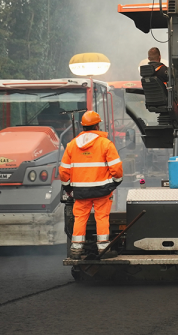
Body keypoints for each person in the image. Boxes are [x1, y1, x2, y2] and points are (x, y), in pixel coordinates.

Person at [60, 111, 123, 259]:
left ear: (82, 126)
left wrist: (68, 188)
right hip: (102, 191)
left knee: (80, 218)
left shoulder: (71, 145)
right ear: (97, 124)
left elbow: (63, 171)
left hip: (80, 192)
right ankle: (103, 249)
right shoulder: (105, 144)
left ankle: (76, 250)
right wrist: (116, 182)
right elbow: (116, 168)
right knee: (102, 218)